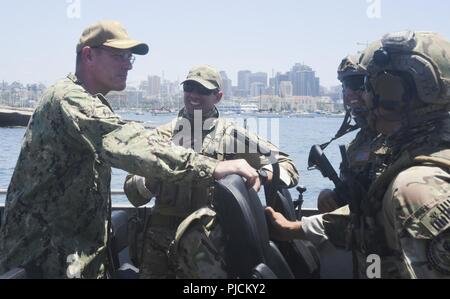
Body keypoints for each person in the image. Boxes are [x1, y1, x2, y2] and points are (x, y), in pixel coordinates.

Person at [0, 21, 260, 279]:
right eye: (118, 56)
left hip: (74, 256)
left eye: (129, 58)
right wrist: (213, 166)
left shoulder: (89, 101)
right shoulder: (68, 98)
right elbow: (127, 142)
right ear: (89, 55)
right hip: (45, 260)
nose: (127, 64)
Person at [266, 31, 450, 278]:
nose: (362, 97)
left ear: (393, 93)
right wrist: (297, 228)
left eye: (367, 85)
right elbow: (370, 219)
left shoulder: (417, 188)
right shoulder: (408, 153)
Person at [124, 65, 299, 278]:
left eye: (203, 90)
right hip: (158, 248)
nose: (194, 95)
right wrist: (152, 178)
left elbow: (287, 166)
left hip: (207, 249)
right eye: (189, 87)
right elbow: (132, 193)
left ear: (218, 97)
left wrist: (262, 176)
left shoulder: (232, 137)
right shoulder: (160, 137)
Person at [317, 54, 383, 213]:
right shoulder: (359, 142)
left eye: (357, 84)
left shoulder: (395, 138)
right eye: (345, 86)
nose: (349, 93)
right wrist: (330, 196)